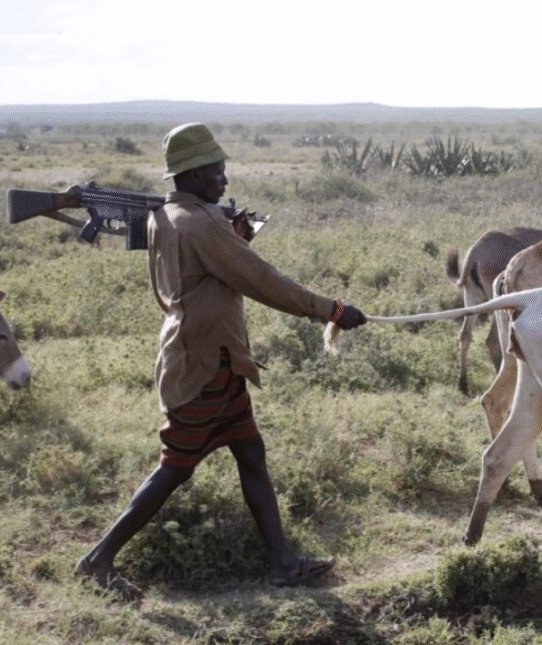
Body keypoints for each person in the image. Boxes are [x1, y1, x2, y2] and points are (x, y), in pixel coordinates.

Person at [74, 123, 367, 601]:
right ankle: (99, 559)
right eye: (217, 171)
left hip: (209, 358)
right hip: (205, 365)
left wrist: (237, 242)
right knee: (174, 467)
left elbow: (210, 276)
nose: (224, 180)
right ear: (191, 175)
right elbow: (263, 280)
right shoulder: (203, 224)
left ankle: (283, 563)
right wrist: (330, 309)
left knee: (250, 453)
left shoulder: (165, 216)